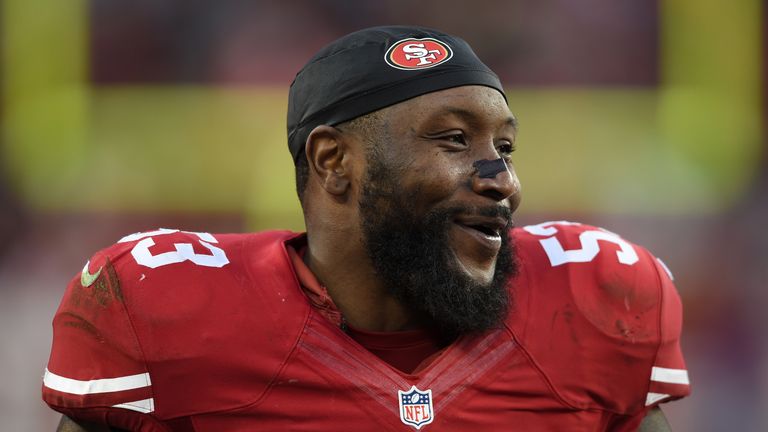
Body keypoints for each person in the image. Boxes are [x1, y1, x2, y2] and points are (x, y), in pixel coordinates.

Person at [42, 26, 690, 431]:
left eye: (507, 148)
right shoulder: (162, 307)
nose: (502, 179)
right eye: (455, 140)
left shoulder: (597, 299)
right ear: (334, 162)